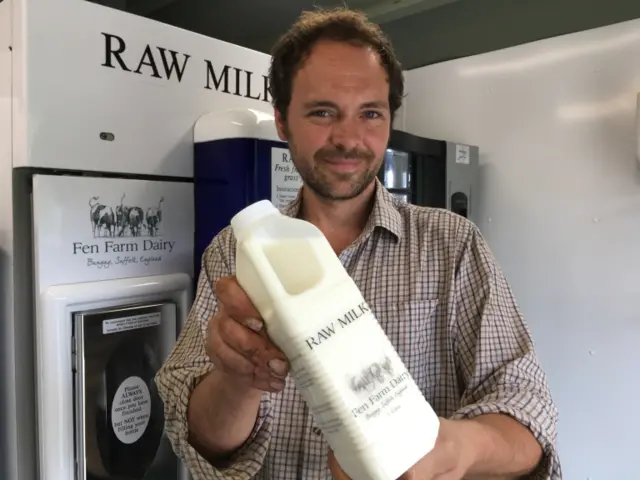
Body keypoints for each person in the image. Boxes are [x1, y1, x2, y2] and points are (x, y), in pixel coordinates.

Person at [155, 7, 561, 480]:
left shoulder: (451, 245)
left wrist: (451, 447)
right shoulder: (233, 253)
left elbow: (529, 417)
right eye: (323, 112)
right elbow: (202, 443)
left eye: (370, 113)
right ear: (283, 122)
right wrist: (235, 380)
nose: (349, 139)